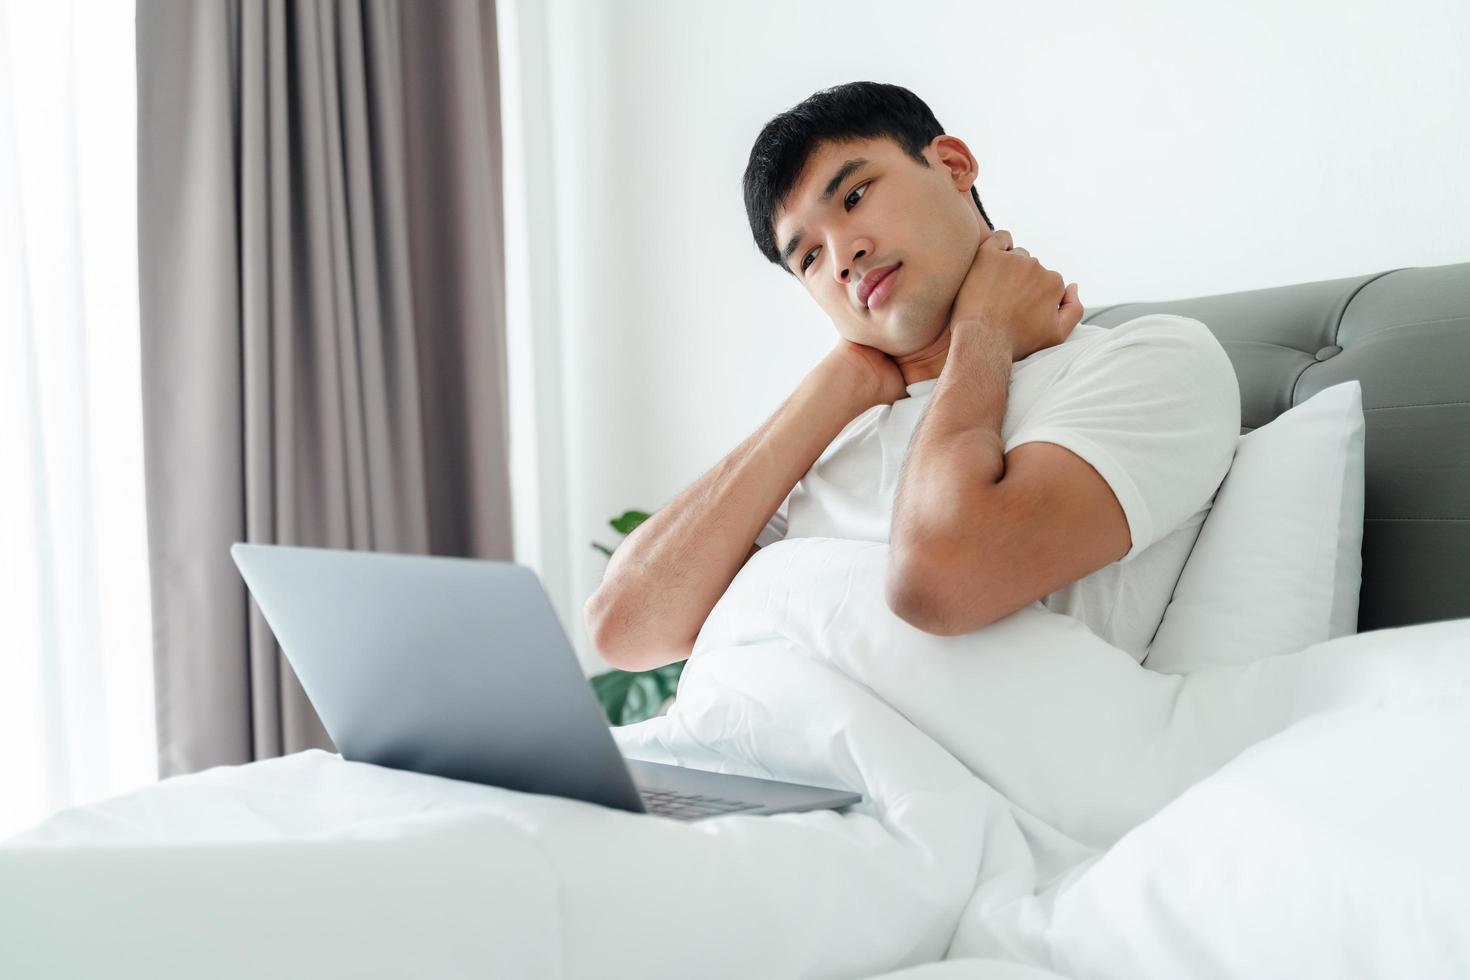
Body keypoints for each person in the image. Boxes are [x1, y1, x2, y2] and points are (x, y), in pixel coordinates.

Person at [586, 81, 1240, 673]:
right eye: (809, 256)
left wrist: (982, 329)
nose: (843, 258)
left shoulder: (1151, 361)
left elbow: (942, 582)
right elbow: (623, 629)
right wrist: (834, 387)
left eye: (855, 195)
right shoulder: (835, 435)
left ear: (953, 165)